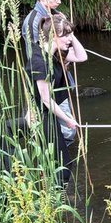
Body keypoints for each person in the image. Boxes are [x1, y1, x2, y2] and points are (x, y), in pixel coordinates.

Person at [28, 12, 85, 186]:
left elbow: (82, 56)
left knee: (61, 162)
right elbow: (45, 99)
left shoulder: (57, 54)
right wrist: (68, 119)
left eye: (70, 34)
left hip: (50, 111)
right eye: (65, 35)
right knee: (63, 167)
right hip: (42, 114)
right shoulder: (39, 61)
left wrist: (71, 34)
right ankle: (54, 200)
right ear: (53, 35)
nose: (69, 39)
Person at [22, 0, 77, 147]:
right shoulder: (33, 21)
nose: (59, 1)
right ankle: (53, 156)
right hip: (43, 76)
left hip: (59, 75)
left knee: (63, 126)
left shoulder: (56, 15)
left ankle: (58, 151)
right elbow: (39, 53)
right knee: (48, 122)